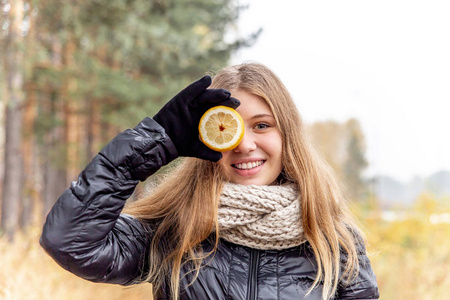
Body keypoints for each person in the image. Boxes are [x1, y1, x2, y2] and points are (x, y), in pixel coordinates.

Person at [40, 63, 379, 300]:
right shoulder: (172, 229)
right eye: (229, 128)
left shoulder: (333, 242)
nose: (245, 144)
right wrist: (154, 142)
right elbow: (68, 241)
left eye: (262, 125)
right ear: (206, 138)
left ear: (287, 135)